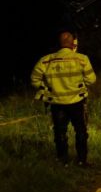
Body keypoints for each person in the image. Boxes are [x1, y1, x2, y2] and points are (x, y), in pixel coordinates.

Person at [31, 31, 96, 167]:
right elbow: (91, 80)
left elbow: (34, 79)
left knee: (60, 131)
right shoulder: (82, 59)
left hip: (56, 102)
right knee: (81, 131)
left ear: (59, 43)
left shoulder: (46, 60)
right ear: (73, 44)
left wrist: (46, 88)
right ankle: (82, 160)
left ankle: (63, 160)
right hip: (77, 102)